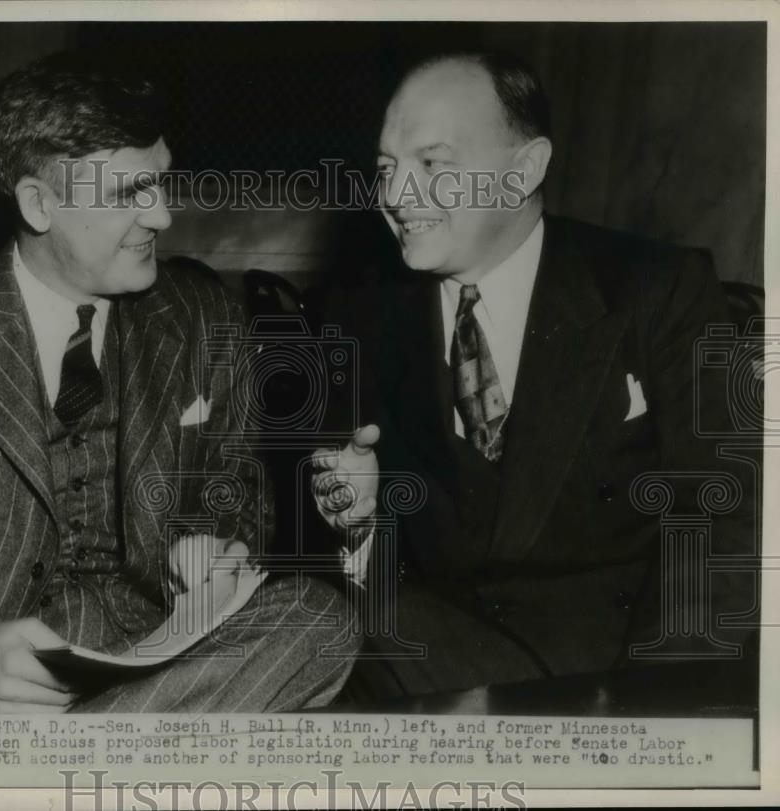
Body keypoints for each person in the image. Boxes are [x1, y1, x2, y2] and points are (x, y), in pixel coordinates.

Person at [0, 51, 358, 716]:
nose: (162, 217)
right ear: (39, 204)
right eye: (129, 195)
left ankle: (46, 768)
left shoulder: (201, 314)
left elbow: (234, 481)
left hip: (157, 659)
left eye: (161, 184)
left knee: (320, 621)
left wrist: (212, 541)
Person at [311, 50, 757, 700]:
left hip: (617, 661)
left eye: (432, 164)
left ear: (523, 170)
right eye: (385, 169)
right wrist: (360, 520)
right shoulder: (355, 314)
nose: (395, 196)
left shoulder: (658, 288)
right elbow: (346, 549)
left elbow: (725, 516)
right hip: (434, 647)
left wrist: (657, 702)